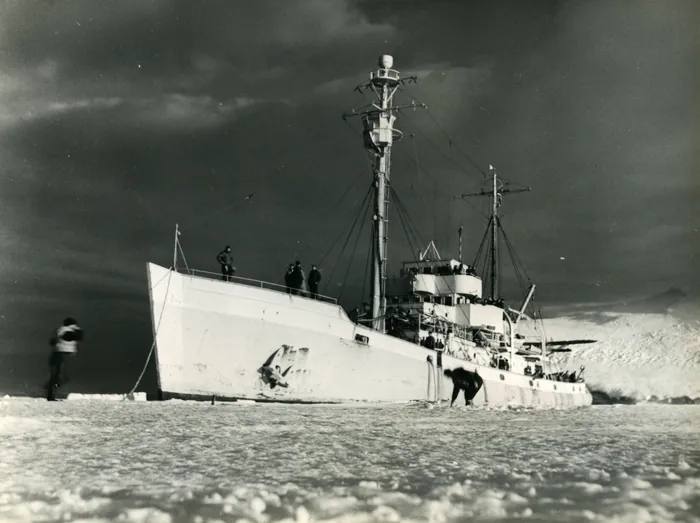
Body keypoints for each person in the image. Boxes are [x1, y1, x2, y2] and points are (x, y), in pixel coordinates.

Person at [45, 317, 84, 401]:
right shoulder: (70, 330)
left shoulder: (59, 330)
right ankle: (51, 391)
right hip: (64, 354)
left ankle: (50, 393)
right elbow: (77, 337)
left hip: (55, 353)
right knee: (63, 376)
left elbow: (52, 342)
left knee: (56, 376)